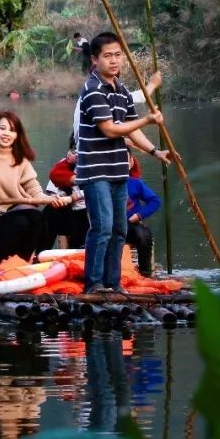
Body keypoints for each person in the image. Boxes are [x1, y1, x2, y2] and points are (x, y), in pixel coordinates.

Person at [74, 32, 172, 294]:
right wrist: (147, 120)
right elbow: (110, 129)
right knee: (102, 227)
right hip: (96, 172)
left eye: (118, 54)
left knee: (120, 228)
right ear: (95, 60)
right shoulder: (93, 89)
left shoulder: (121, 90)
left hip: (119, 171)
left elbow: (131, 131)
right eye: (108, 55)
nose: (114, 60)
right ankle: (93, 283)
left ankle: (113, 283)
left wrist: (155, 151)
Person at [0, 111, 70, 269]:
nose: (6, 134)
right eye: (2, 128)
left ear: (16, 135)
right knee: (20, 222)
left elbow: (35, 191)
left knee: (38, 218)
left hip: (12, 217)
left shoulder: (21, 160)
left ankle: (23, 264)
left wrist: (52, 200)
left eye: (12, 130)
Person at [43, 138, 89, 250]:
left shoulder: (90, 165)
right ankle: (42, 252)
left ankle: (78, 251)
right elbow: (52, 184)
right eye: (71, 150)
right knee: (50, 211)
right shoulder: (62, 165)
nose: (69, 154)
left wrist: (74, 196)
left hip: (84, 210)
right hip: (65, 207)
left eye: (74, 152)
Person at [125, 153, 160, 277]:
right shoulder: (106, 184)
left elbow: (155, 201)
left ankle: (145, 273)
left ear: (131, 163)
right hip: (112, 224)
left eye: (126, 160)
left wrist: (139, 215)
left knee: (143, 235)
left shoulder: (135, 183)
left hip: (131, 223)